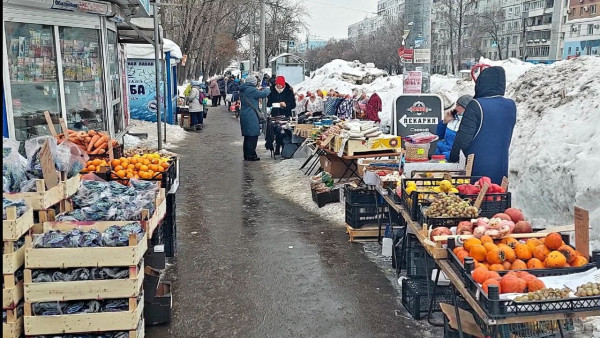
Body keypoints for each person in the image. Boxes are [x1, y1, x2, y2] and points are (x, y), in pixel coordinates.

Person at [449, 66, 516, 184]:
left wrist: (453, 160)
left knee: (474, 198)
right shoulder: (510, 106)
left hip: (476, 168)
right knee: (496, 196)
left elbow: (463, 140)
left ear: (481, 83)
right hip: (501, 166)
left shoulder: (476, 105)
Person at [239, 75, 270, 161]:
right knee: (253, 135)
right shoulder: (251, 90)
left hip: (245, 114)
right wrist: (268, 89)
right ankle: (251, 155)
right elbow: (264, 94)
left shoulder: (244, 89)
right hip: (251, 115)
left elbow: (253, 94)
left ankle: (247, 154)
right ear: (254, 82)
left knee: (248, 136)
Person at [435, 94, 473, 160]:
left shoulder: (469, 123)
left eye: (458, 106)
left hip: (451, 157)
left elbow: (465, 146)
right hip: (440, 154)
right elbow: (439, 135)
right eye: (456, 105)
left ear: (466, 108)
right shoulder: (452, 118)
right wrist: (444, 122)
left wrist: (447, 155)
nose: (455, 108)